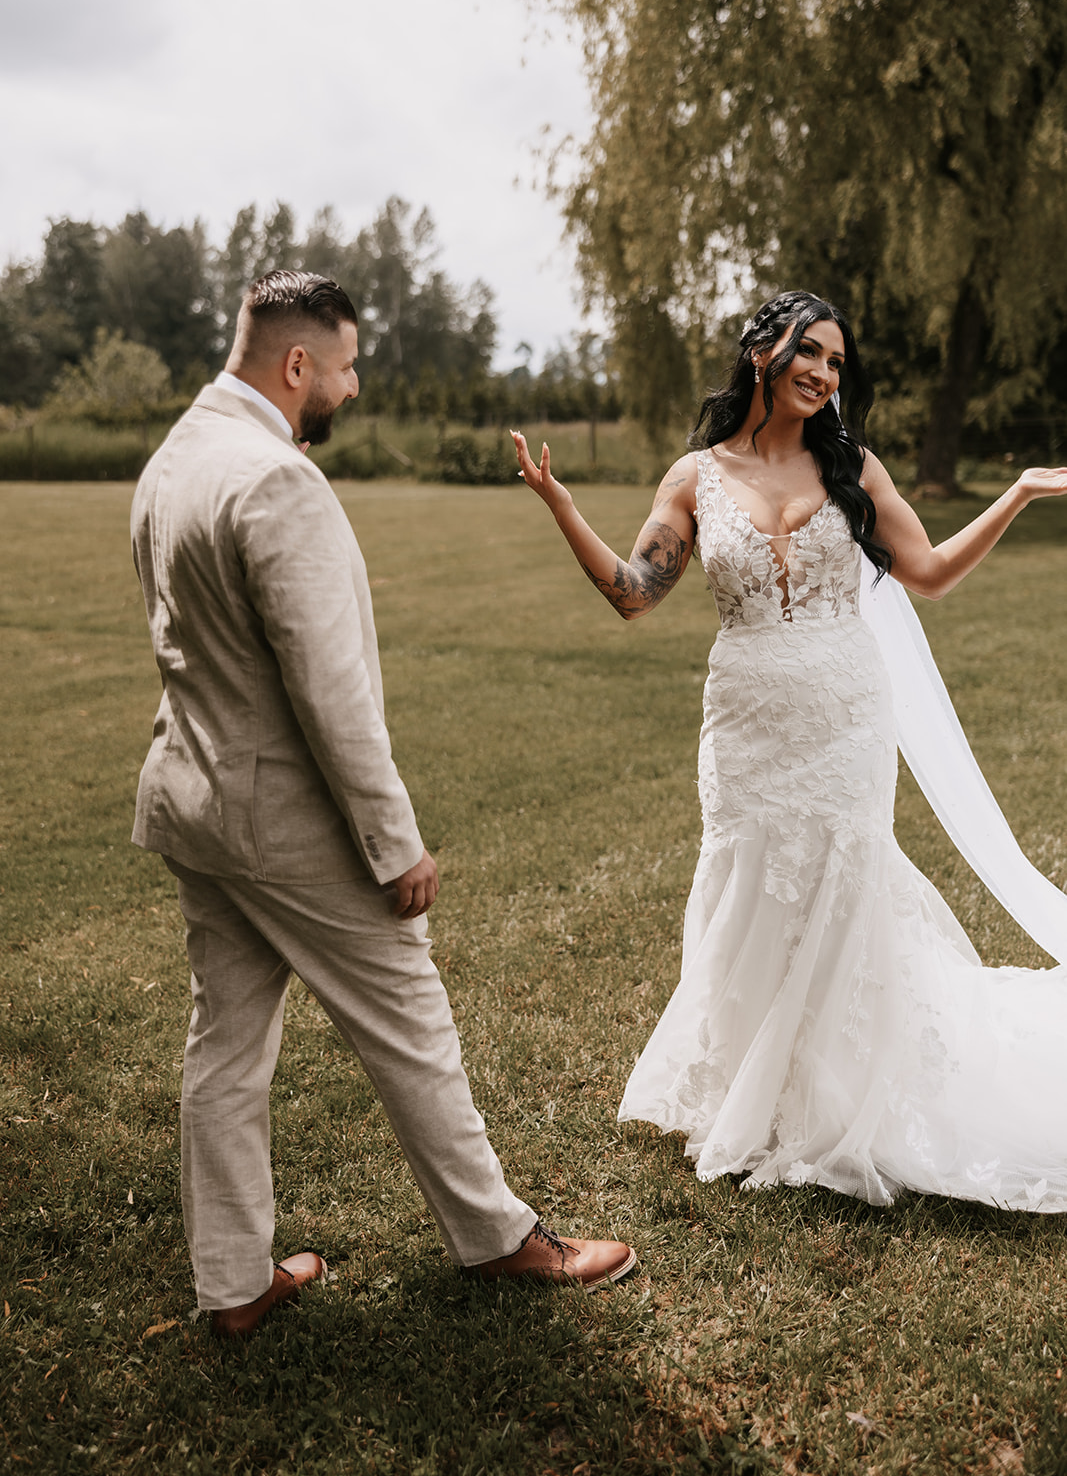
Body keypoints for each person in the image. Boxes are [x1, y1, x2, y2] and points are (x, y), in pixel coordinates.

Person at [130, 270, 635, 1338]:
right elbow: (330, 691)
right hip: (282, 822)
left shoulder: (173, 456)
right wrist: (392, 842)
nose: (354, 388)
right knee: (411, 1019)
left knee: (223, 1044)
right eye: (348, 366)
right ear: (298, 363)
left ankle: (231, 1285)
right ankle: (499, 1236)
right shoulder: (277, 481)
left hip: (193, 800)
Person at [513, 288, 1067, 1212]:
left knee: (841, 880)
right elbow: (634, 591)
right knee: (748, 879)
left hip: (845, 711)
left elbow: (925, 575)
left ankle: (840, 1091)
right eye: (807, 351)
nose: (821, 371)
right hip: (743, 720)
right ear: (760, 351)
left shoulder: (850, 466)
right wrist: (562, 507)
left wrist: (1012, 494)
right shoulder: (693, 477)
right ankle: (751, 1080)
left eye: (836, 362)